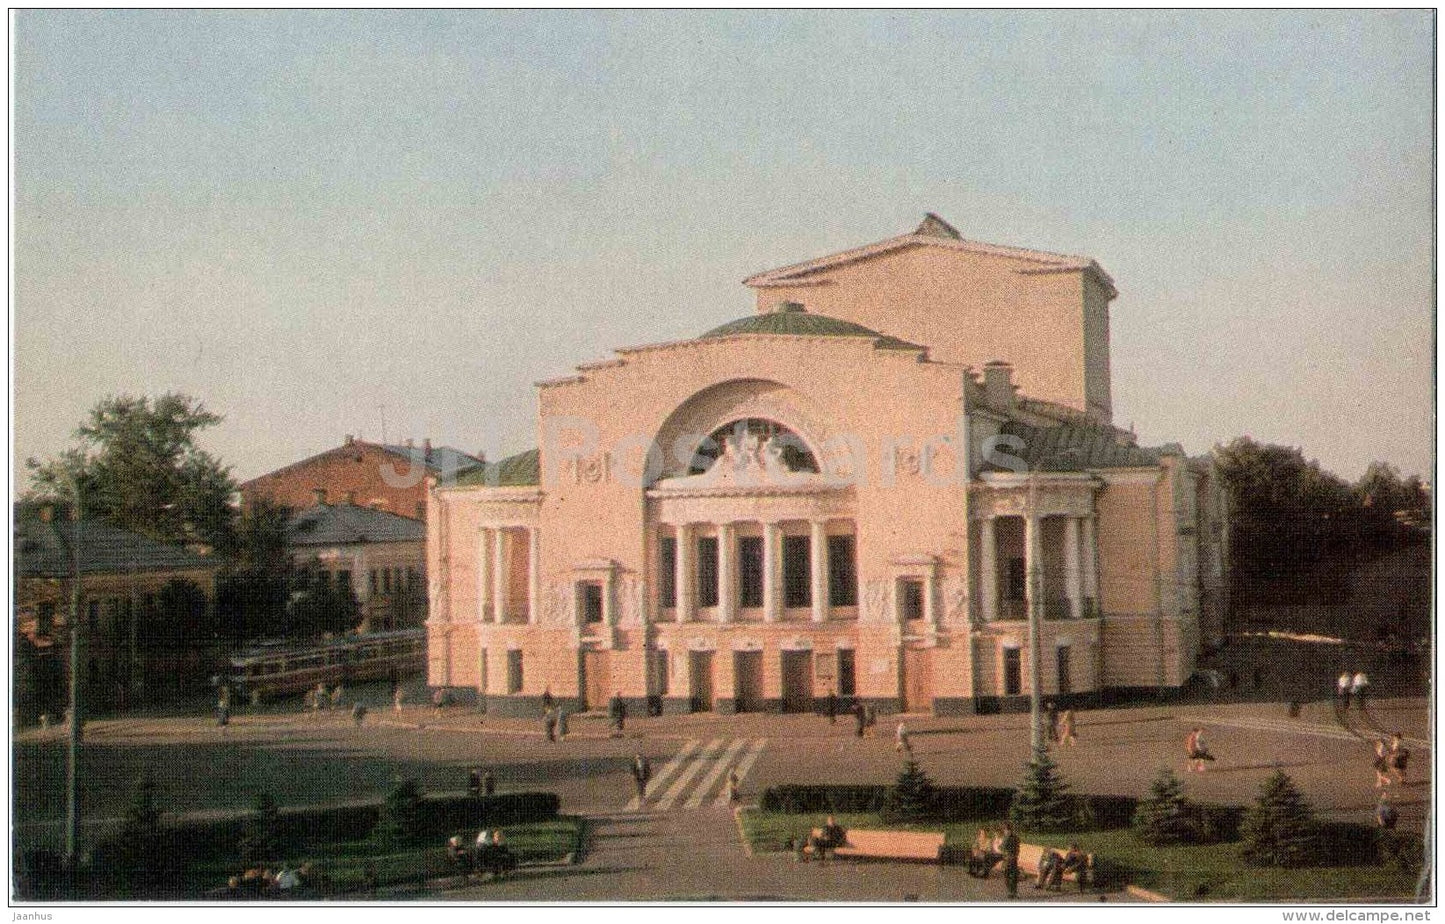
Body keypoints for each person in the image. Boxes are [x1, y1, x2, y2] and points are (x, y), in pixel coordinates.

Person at [1000, 822, 1021, 899]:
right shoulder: (1016, 837)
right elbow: (1018, 847)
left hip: (1007, 858)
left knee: (1006, 874)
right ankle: (1014, 892)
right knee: (1014, 875)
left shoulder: (1006, 837)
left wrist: (999, 844)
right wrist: (1016, 855)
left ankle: (1010, 892)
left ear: (1005, 829)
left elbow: (1002, 847)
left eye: (1004, 829)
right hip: (1014, 858)